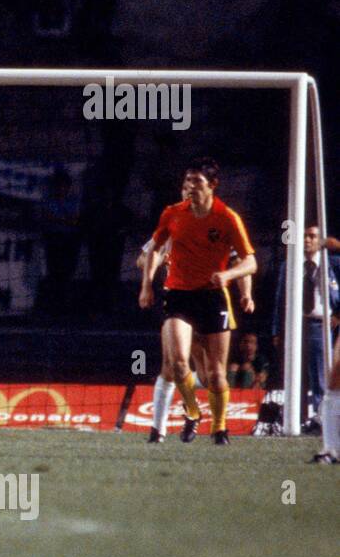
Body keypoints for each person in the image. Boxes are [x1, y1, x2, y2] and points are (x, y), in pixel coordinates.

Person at [139, 157, 256, 445]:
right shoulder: (172, 213)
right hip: (178, 295)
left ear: (212, 185)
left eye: (197, 182)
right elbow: (152, 250)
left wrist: (233, 281)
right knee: (178, 363)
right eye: (187, 181)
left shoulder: (227, 218)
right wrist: (146, 286)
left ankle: (219, 428)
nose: (190, 187)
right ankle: (191, 411)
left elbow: (249, 262)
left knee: (214, 374)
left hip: (212, 298)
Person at [271, 224, 340, 429]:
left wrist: (337, 313)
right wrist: (276, 330)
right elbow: (279, 299)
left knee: (320, 375)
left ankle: (320, 419)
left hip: (320, 325)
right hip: (295, 325)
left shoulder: (332, 264)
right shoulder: (290, 265)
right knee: (294, 374)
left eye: (312, 236)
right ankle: (296, 418)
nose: (308, 240)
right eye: (304, 236)